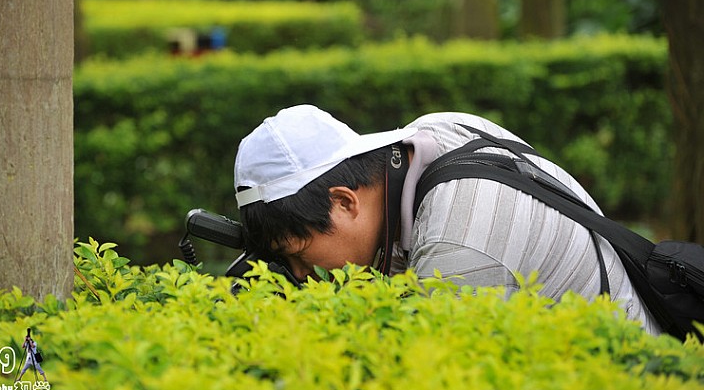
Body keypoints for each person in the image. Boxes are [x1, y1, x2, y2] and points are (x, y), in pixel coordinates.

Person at [234, 104, 661, 335]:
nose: (301, 276)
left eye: (299, 255)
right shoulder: (433, 135)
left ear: (344, 202)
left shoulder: (458, 245)